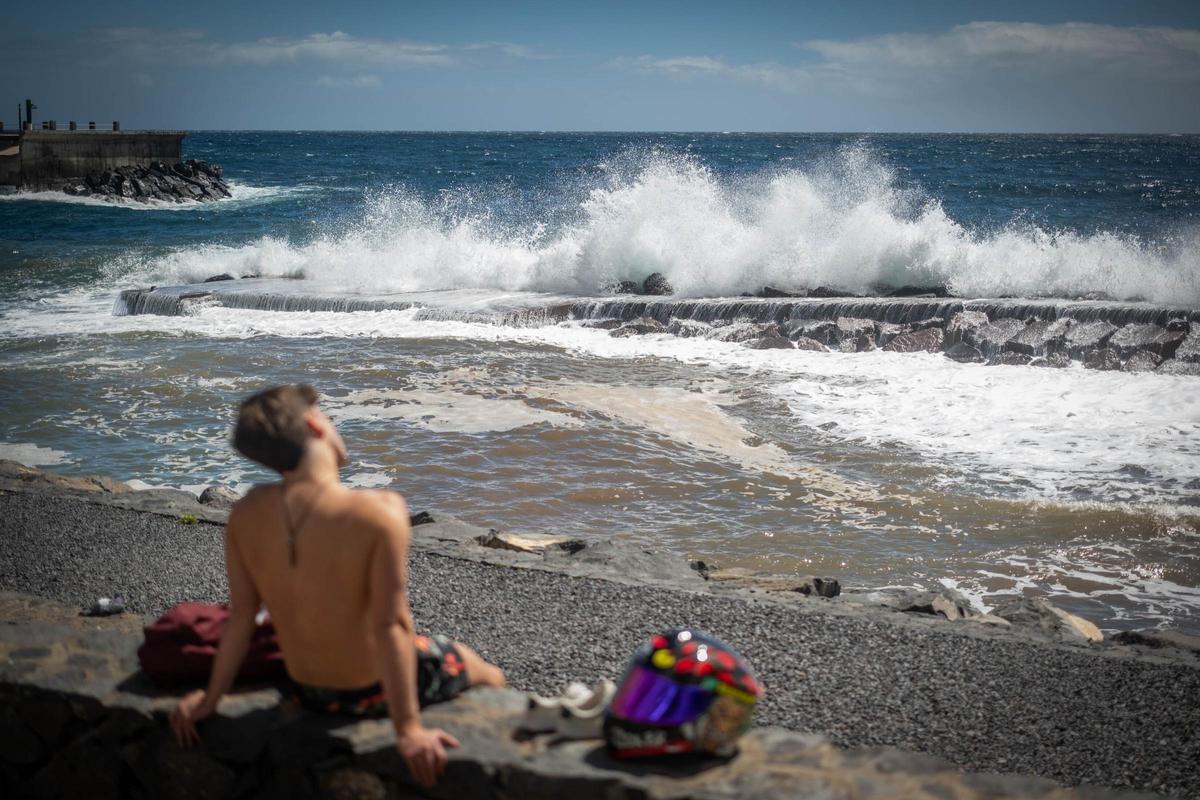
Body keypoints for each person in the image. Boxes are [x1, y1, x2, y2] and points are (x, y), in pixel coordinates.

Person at [169, 384, 504, 788]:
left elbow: (242, 617)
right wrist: (409, 730)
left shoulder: (246, 512)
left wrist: (210, 700)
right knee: (480, 668)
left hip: (308, 690)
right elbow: (391, 626)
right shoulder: (379, 511)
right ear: (314, 424)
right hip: (370, 689)